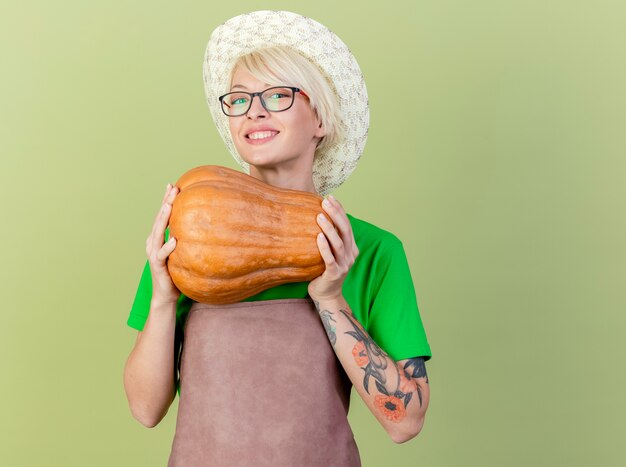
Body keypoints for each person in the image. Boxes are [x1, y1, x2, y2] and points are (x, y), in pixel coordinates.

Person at [123, 10, 432, 467]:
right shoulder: (187, 233)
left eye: (278, 94)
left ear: (320, 120)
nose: (255, 111)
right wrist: (163, 298)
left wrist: (330, 299)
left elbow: (405, 420)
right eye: (240, 99)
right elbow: (145, 410)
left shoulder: (374, 252)